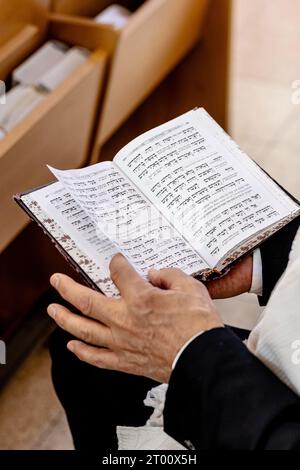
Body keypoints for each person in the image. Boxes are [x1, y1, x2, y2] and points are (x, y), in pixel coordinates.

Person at [48, 216, 300, 450]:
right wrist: (272, 256)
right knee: (81, 345)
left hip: (264, 417)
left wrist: (194, 354)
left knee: (91, 348)